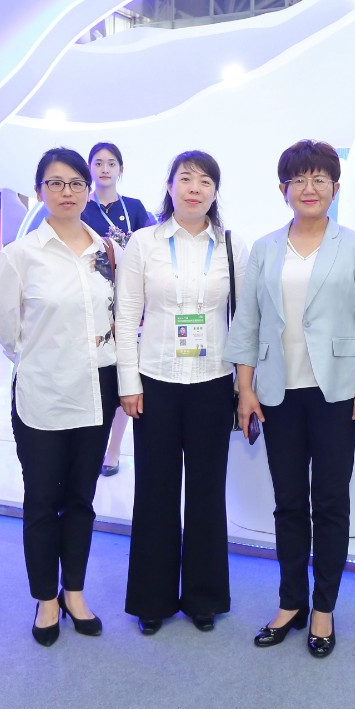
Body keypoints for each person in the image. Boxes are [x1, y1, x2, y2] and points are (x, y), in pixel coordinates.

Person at [226, 140, 355, 658]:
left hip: (336, 392)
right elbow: (247, 323)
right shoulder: (265, 248)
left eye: (319, 178)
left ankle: (324, 607)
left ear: (335, 188)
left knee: (331, 502)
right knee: (289, 503)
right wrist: (245, 389)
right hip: (278, 393)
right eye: (298, 179)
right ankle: (291, 602)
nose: (309, 188)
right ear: (283, 189)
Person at [0, 148, 120, 647]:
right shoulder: (20, 255)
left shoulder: (107, 251)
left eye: (76, 183)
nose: (67, 192)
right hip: (42, 391)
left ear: (89, 190)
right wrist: (40, 357)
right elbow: (5, 327)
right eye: (55, 183)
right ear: (40, 190)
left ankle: (75, 592)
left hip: (96, 390)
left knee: (81, 499)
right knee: (43, 500)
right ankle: (46, 598)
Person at [115, 150, 247, 634]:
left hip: (212, 381)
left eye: (205, 181)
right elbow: (125, 315)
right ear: (169, 186)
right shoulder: (144, 242)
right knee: (155, 491)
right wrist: (128, 383)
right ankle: (152, 599)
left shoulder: (231, 246)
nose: (195, 188)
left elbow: (245, 322)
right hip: (155, 382)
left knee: (208, 492)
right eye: (186, 178)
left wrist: (244, 387)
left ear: (215, 192)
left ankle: (203, 597)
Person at [84, 143, 156, 478]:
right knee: (95, 375)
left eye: (111, 163)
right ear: (89, 168)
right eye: (98, 163)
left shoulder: (136, 208)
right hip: (91, 301)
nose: (104, 169)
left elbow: (152, 249)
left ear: (121, 170)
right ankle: (91, 446)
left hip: (130, 301)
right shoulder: (80, 207)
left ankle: (112, 452)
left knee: (124, 373)